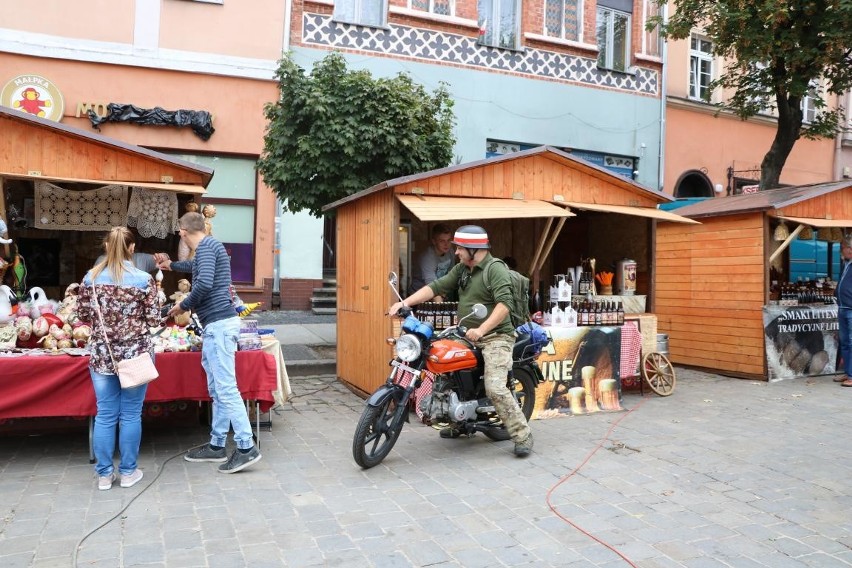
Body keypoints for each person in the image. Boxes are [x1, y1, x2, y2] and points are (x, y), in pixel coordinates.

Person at [388, 225, 534, 457]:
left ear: (474, 249)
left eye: (459, 248)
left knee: (495, 387)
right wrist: (405, 303)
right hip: (466, 333)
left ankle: (522, 434)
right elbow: (436, 286)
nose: (455, 252)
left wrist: (482, 329)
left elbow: (504, 304)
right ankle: (459, 422)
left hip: (496, 336)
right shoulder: (463, 269)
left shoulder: (495, 270)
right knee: (445, 366)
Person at [154, 212, 262, 472]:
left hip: (220, 326)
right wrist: (171, 266)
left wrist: (182, 305)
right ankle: (216, 445)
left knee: (226, 388)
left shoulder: (204, 248)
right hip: (218, 326)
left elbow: (202, 284)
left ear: (182, 231)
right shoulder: (211, 246)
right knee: (217, 388)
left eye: (179, 231)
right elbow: (196, 269)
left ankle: (246, 447)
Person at [77, 227, 162, 490]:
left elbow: (82, 315)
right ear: (132, 248)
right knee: (131, 414)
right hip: (135, 354)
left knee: (105, 414)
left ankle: (104, 476)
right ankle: (128, 472)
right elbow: (153, 319)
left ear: (106, 246)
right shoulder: (143, 279)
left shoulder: (90, 278)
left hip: (103, 355)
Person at [409, 224, 454, 299]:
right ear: (434, 241)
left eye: (449, 240)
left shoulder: (450, 252)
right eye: (442, 241)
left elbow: (452, 274)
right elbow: (432, 287)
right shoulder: (427, 258)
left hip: (439, 292)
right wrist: (441, 308)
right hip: (419, 296)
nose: (446, 244)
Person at [837, 235, 852, 386]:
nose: (841, 252)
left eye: (842, 249)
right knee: (845, 343)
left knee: (851, 342)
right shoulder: (846, 263)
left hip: (851, 308)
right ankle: (848, 372)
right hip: (842, 307)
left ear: (850, 249)